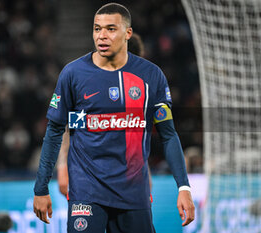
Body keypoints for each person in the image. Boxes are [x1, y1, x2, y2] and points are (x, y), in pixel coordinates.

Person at [33, 3, 195, 233]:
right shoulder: (73, 74)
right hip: (86, 193)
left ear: (128, 33)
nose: (102, 36)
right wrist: (41, 188)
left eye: (110, 29)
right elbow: (55, 131)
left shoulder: (151, 76)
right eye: (97, 29)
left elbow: (169, 135)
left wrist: (184, 187)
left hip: (133, 193)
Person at [56, 32, 152, 197]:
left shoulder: (139, 92)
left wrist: (145, 174)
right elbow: (70, 126)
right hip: (92, 174)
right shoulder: (89, 83)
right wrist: (63, 166)